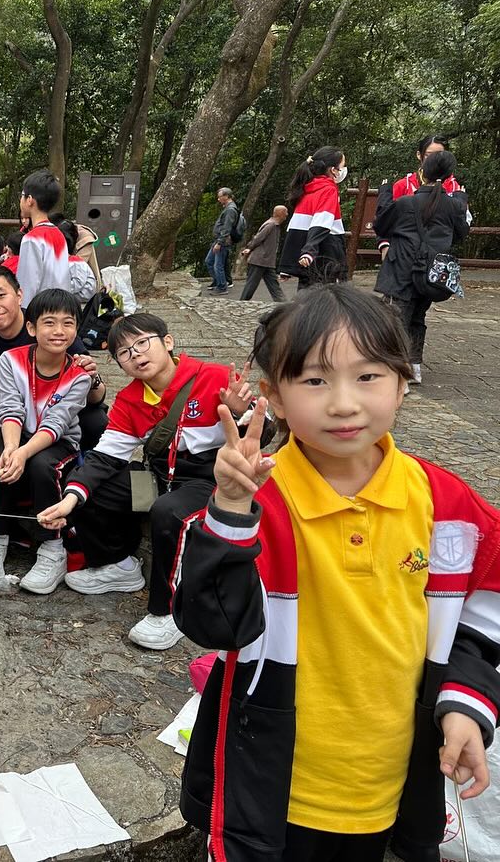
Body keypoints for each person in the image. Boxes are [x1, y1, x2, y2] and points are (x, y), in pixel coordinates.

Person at [172, 285, 499, 862]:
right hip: (274, 779)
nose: (344, 404)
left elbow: (485, 611)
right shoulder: (259, 502)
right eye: (315, 380)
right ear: (274, 396)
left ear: (403, 382)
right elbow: (210, 622)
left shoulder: (446, 505)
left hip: (393, 778)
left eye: (368, 376)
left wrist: (465, 702)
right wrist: (230, 510)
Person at [36, 314, 258, 648]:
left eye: (142, 343)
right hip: (158, 476)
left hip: (208, 477)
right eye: (124, 353)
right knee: (88, 486)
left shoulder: (213, 377)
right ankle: (119, 564)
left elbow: (259, 434)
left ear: (167, 342)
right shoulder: (130, 400)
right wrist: (69, 500)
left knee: (168, 511)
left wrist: (241, 414)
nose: (136, 355)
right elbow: (104, 457)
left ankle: (168, 610)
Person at [0, 289, 93, 595]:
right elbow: (10, 408)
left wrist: (24, 453)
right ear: (32, 328)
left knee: (41, 466)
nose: (59, 331)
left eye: (67, 323)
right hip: (16, 431)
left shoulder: (79, 375)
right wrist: (12, 449)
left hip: (59, 439)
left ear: (76, 329)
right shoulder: (11, 360)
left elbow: (57, 423)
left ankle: (53, 548)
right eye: (49, 322)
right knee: (3, 464)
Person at [0, 264, 107, 449]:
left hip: (60, 408)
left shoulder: (50, 328)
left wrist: (93, 380)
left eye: (1, 295)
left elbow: (96, 397)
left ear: (19, 295)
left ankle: (81, 462)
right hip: (12, 407)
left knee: (96, 422)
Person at [374, 150, 470, 387]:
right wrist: (461, 199)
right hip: (432, 272)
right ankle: (414, 366)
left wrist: (385, 193)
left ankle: (398, 376)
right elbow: (461, 233)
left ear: (422, 173)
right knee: (417, 317)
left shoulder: (406, 203)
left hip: (402, 269)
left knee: (396, 320)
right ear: (448, 175)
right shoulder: (453, 205)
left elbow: (382, 225)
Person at [377, 134, 470, 266]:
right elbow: (387, 219)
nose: (434, 159)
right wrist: (385, 245)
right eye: (429, 155)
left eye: (439, 155)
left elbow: (460, 227)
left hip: (437, 260)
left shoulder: (454, 187)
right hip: (404, 256)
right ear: (419, 155)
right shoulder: (403, 185)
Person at [280, 146, 348, 289]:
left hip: (308, 257)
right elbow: (322, 223)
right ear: (333, 170)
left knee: (306, 295)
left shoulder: (306, 189)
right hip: (326, 253)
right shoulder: (329, 189)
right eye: (342, 167)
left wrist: (288, 264)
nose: (343, 170)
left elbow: (296, 227)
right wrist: (309, 251)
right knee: (329, 296)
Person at [13, 170, 71, 305]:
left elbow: (26, 286)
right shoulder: (59, 234)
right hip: (62, 306)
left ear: (29, 200)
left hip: (40, 309)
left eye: (22, 195)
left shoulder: (31, 239)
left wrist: (22, 310)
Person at [239, 205, 288, 302]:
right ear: (280, 213)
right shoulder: (271, 225)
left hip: (267, 261)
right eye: (285, 212)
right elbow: (258, 238)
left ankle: (283, 303)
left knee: (274, 285)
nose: (287, 214)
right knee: (251, 285)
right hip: (259, 260)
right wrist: (249, 247)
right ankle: (242, 302)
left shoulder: (274, 225)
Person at [205, 187, 240, 296]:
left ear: (226, 196)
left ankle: (222, 287)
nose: (218, 199)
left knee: (218, 265)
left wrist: (219, 243)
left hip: (223, 241)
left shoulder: (230, 210)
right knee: (209, 261)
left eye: (220, 197)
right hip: (218, 239)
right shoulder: (228, 208)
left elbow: (227, 228)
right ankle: (218, 281)